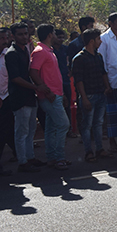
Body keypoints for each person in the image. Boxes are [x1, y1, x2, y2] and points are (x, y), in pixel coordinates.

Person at [30, 24, 71, 170]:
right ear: (49, 35)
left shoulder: (47, 50)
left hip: (55, 95)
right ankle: (59, 157)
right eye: (53, 33)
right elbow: (33, 72)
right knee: (63, 125)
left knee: (51, 127)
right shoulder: (41, 51)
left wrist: (62, 94)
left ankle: (52, 157)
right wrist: (47, 91)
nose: (55, 35)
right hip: (50, 96)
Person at [7, 23, 47, 172]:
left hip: (30, 96)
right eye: (20, 34)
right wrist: (36, 87)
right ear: (13, 36)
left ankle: (30, 157)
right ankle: (22, 161)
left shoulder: (25, 50)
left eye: (26, 33)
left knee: (30, 130)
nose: (24, 36)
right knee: (21, 131)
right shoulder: (12, 53)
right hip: (20, 97)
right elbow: (15, 78)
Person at [72, 28, 114, 162]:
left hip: (100, 94)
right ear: (91, 41)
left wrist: (107, 87)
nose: (100, 41)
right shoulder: (79, 59)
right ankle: (88, 151)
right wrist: (84, 98)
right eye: (98, 39)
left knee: (98, 123)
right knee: (87, 125)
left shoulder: (98, 56)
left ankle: (100, 149)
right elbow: (79, 80)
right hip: (89, 95)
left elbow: (103, 73)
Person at [98, 13, 117, 151]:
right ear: (110, 23)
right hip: (111, 80)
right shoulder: (104, 39)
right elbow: (102, 62)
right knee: (112, 114)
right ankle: (112, 141)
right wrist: (106, 84)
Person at [53, 29, 76, 138]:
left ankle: (69, 130)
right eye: (59, 37)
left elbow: (71, 61)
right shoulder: (50, 51)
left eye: (63, 37)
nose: (61, 40)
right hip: (54, 82)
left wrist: (70, 71)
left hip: (65, 81)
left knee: (67, 105)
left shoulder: (66, 49)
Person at [0, 28, 17, 173]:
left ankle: (18, 154)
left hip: (7, 97)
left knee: (8, 128)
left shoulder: (8, 55)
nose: (5, 41)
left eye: (6, 38)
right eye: (1, 39)